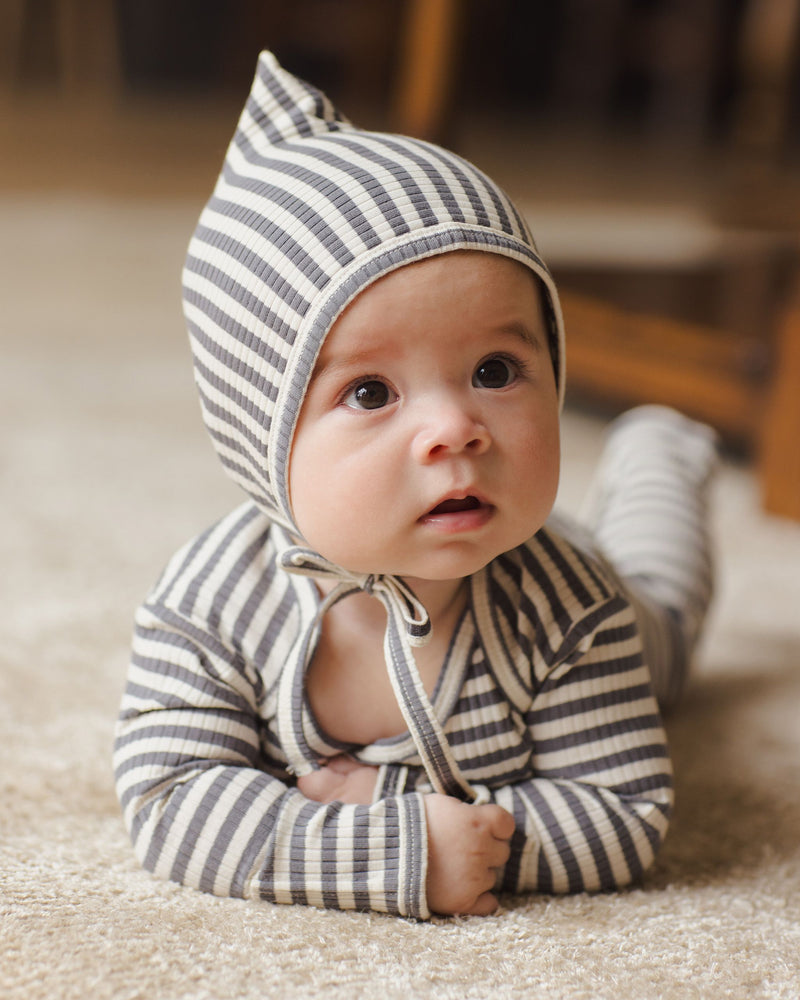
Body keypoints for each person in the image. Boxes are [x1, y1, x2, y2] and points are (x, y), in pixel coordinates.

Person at [113, 51, 718, 920]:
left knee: (664, 608)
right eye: (370, 393)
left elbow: (624, 812)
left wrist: (393, 810)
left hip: (614, 607)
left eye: (497, 369)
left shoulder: (572, 609)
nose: (456, 428)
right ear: (261, 436)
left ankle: (658, 451)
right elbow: (169, 801)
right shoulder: (209, 606)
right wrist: (391, 852)